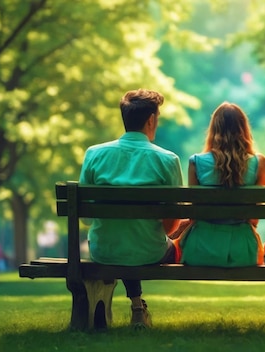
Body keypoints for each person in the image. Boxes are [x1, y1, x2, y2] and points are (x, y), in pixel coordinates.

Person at [79, 88, 183, 329]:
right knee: (145, 243)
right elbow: (169, 226)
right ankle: (137, 308)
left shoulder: (94, 154)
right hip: (150, 253)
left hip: (103, 251)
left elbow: (85, 218)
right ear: (151, 120)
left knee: (123, 241)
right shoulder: (167, 160)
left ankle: (137, 305)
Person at [177, 102, 265, 266]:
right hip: (243, 251)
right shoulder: (258, 163)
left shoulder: (196, 162)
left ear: (213, 129)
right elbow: (254, 220)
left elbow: (194, 215)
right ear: (244, 129)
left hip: (201, 249)